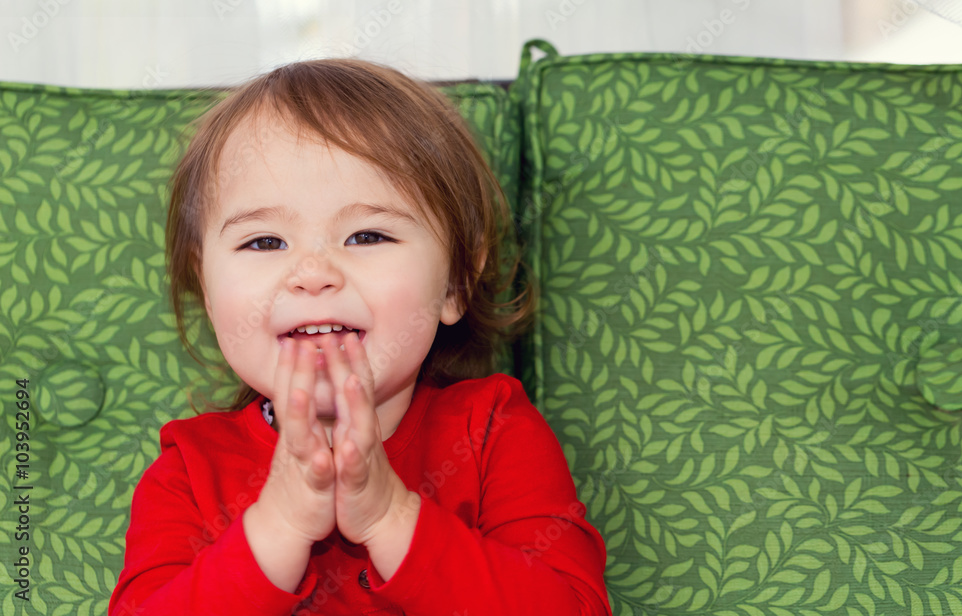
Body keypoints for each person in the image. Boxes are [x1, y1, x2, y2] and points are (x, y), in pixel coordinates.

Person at [108, 58, 611, 615]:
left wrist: (390, 516)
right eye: (264, 242)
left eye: (366, 234)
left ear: (456, 282)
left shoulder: (493, 431)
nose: (313, 272)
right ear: (206, 290)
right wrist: (279, 526)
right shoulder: (190, 470)